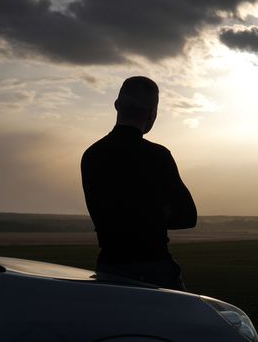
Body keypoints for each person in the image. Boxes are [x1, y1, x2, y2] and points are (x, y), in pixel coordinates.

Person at [81, 76, 197, 291]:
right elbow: (188, 217)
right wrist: (158, 213)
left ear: (117, 105)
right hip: (155, 267)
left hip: (109, 268)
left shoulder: (92, 155)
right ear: (152, 113)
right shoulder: (158, 156)